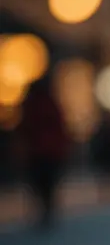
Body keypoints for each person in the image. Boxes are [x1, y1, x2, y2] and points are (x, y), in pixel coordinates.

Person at [18, 74, 72, 230]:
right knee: (46, 184)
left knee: (41, 184)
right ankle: (46, 211)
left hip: (39, 152)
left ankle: (44, 212)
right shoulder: (49, 104)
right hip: (47, 152)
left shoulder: (33, 105)